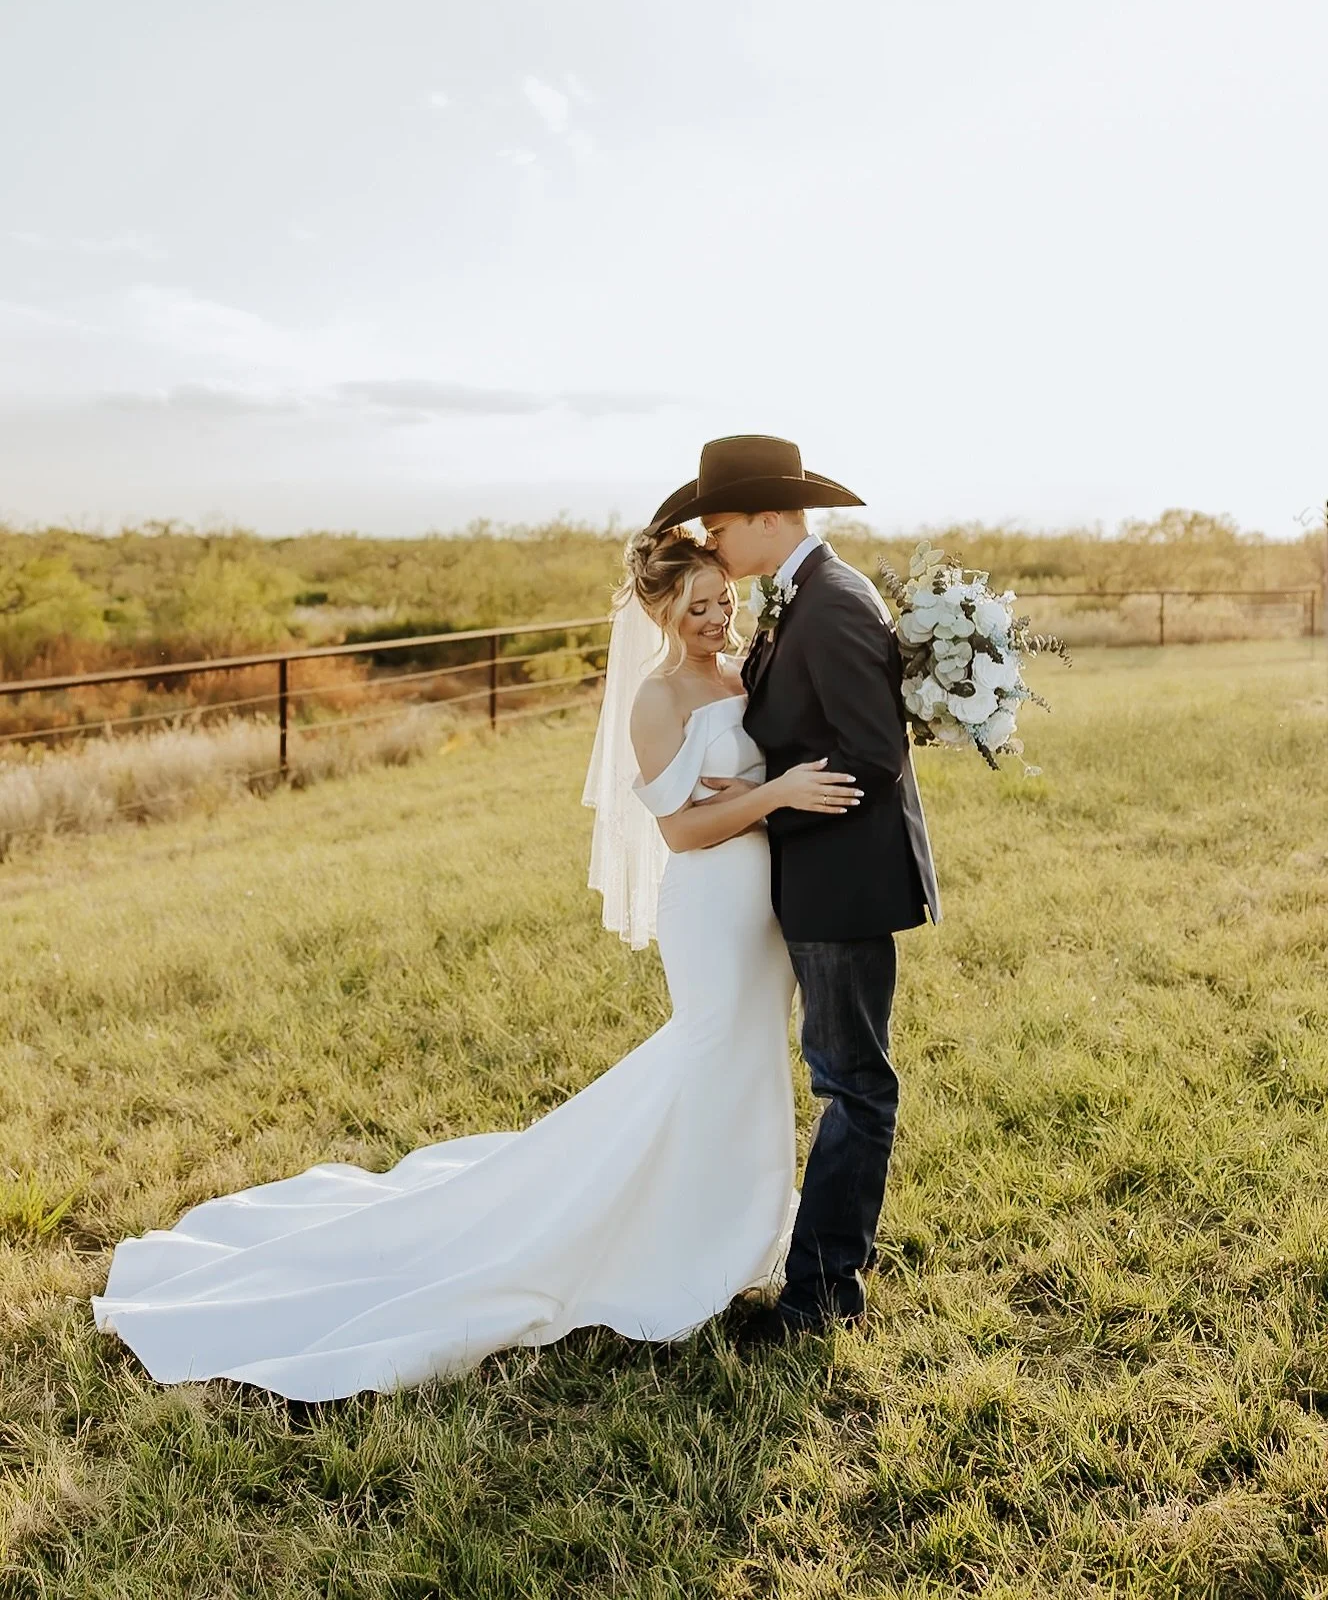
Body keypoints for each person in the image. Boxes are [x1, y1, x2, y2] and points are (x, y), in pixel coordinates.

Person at [89, 524, 855, 1402]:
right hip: (712, 907)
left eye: (725, 602)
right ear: (660, 611)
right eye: (699, 609)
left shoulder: (736, 672)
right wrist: (773, 796)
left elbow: (744, 774)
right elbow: (680, 829)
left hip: (759, 908)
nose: (719, 619)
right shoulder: (656, 698)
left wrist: (764, 790)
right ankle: (683, 1241)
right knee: (712, 1052)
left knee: (748, 1060)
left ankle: (740, 1225)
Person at [649, 433, 941, 1341]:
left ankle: (821, 1298)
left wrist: (770, 808)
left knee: (852, 1086)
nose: (717, 543)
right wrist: (761, 787)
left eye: (723, 525)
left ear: (772, 518)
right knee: (842, 1079)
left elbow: (872, 760)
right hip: (810, 879)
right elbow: (812, 732)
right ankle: (826, 1252)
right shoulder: (798, 599)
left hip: (841, 884)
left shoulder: (834, 604)